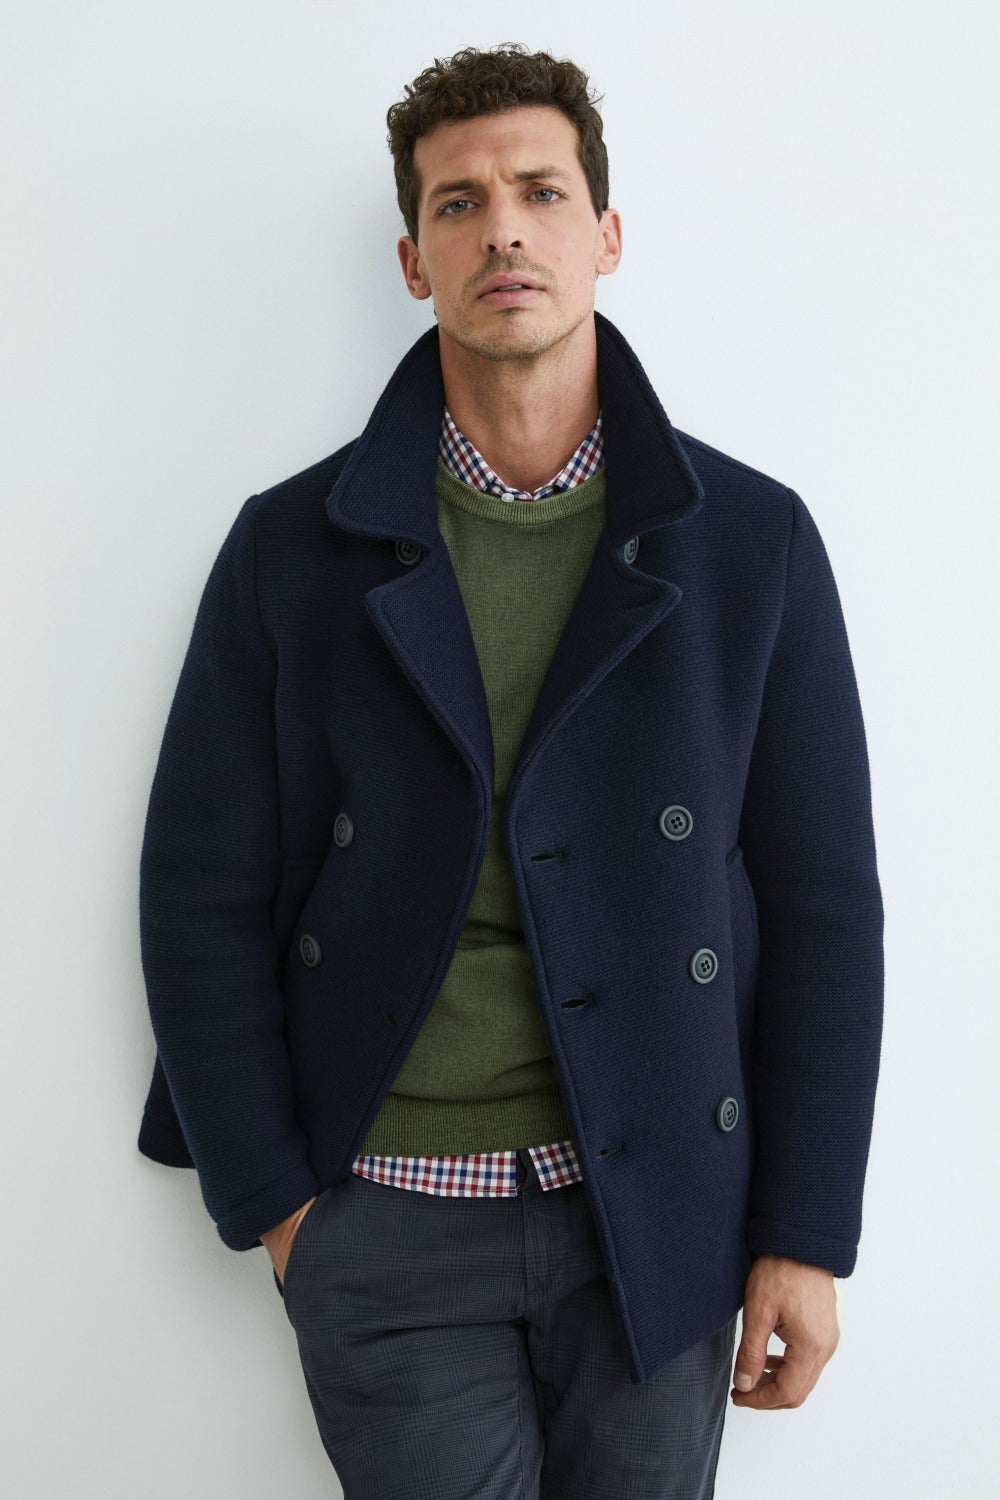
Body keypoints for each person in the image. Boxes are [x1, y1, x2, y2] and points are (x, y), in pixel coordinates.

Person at [137, 43, 884, 1499]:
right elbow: (197, 891)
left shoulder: (752, 546)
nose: (504, 232)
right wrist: (280, 1206)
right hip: (387, 1214)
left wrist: (805, 1232)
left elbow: (824, 909)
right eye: (459, 203)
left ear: (607, 234)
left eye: (542, 192)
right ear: (414, 260)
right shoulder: (292, 550)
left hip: (660, 1209)